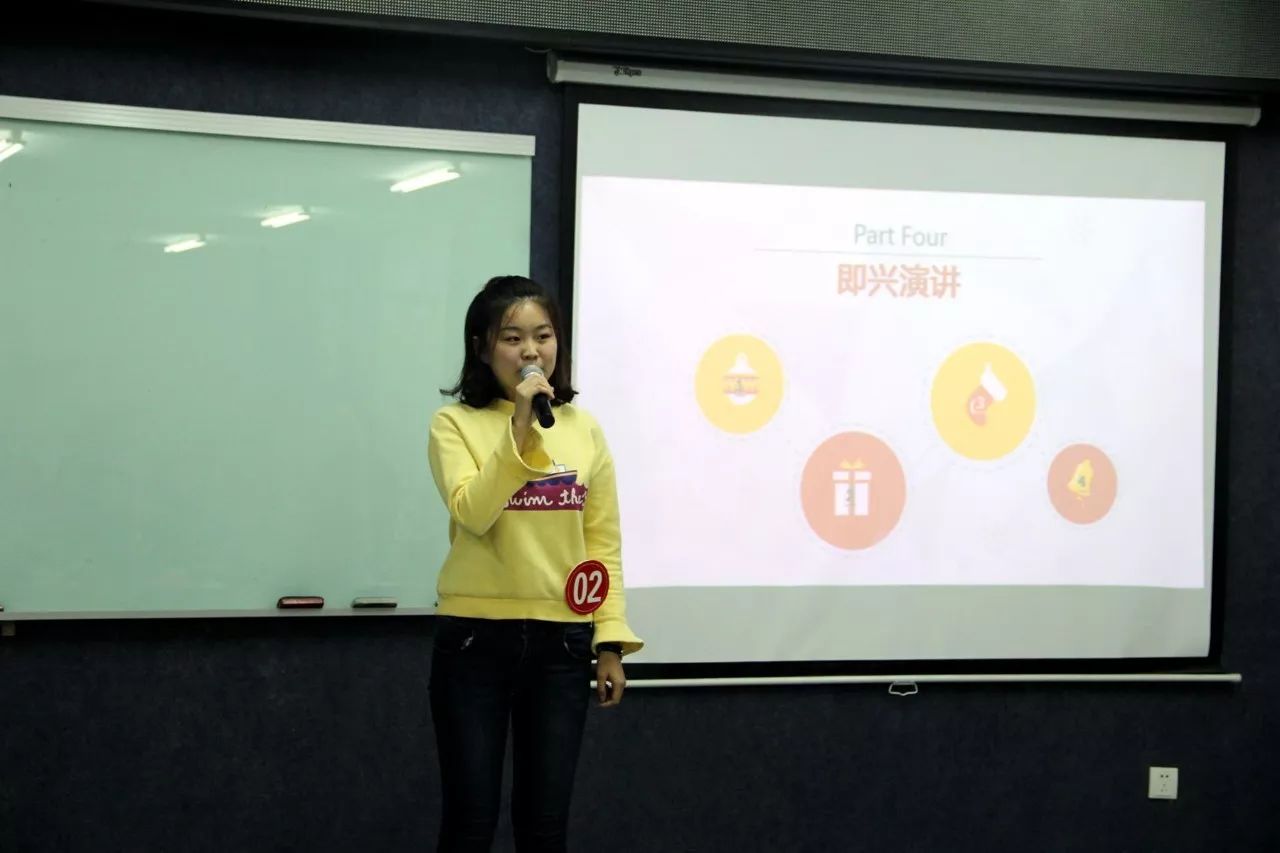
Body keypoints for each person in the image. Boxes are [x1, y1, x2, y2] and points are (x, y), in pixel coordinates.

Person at [426, 274, 643, 853]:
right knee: (470, 823)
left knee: (544, 826)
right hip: (475, 640)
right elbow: (474, 512)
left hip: (561, 645)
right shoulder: (455, 425)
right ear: (481, 347)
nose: (530, 351)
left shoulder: (583, 428)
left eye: (543, 336)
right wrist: (518, 430)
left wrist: (609, 640)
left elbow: (602, 543)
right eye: (512, 338)